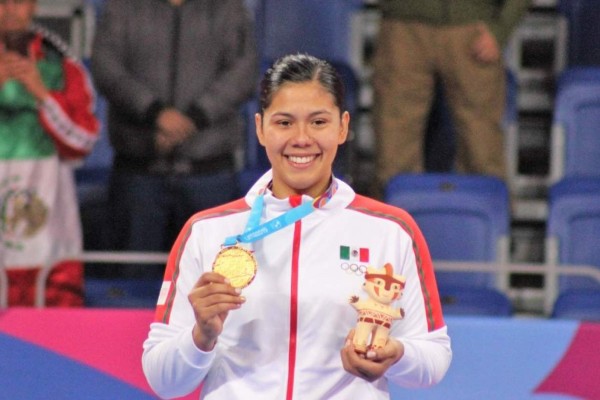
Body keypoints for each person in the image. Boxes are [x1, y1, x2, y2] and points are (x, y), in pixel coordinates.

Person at [142, 54, 452, 399]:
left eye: (318, 122)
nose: (301, 139)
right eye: (284, 123)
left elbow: (434, 357)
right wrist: (201, 337)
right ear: (260, 128)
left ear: (343, 126)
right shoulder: (206, 231)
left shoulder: (391, 231)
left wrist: (398, 355)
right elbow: (163, 381)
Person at [90, 0, 258, 272]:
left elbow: (243, 73)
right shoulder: (122, 7)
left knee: (219, 278)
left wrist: (194, 118)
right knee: (130, 281)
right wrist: (154, 113)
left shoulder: (227, 8)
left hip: (209, 171)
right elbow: (107, 68)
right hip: (138, 171)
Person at [372, 0, 530, 194]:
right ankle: (391, 218)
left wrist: (500, 29)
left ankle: (486, 217)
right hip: (403, 25)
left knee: (481, 145)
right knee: (394, 145)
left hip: (472, 26)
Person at [0, 0, 99, 306]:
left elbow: (84, 141)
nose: (9, 9)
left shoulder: (63, 65)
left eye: (18, 1)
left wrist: (41, 93)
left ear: (34, 6)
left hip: (51, 225)